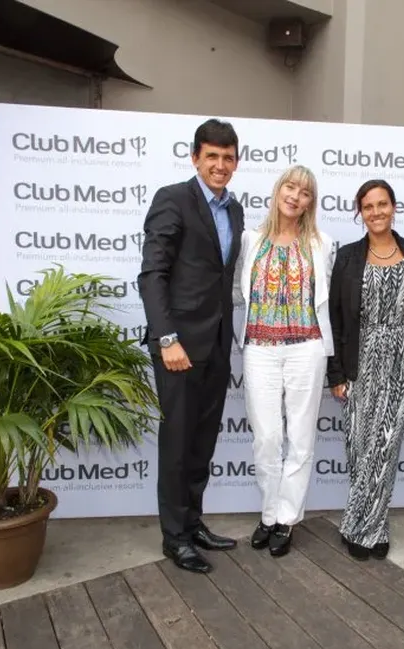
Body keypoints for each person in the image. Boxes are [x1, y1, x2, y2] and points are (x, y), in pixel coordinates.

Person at [137, 118, 244, 574]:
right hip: (177, 346)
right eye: (212, 156)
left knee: (202, 441)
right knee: (178, 444)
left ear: (236, 162)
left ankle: (193, 522)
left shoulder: (234, 211)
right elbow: (152, 275)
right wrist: (167, 338)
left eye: (228, 157)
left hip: (218, 343)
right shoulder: (173, 199)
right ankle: (174, 537)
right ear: (196, 157)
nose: (220, 165)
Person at [233, 165, 336, 557]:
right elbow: (236, 294)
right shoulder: (250, 240)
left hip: (306, 347)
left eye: (305, 192)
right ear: (278, 191)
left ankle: (287, 519)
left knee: (301, 437)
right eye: (290, 187)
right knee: (267, 437)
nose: (296, 195)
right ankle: (268, 512)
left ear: (311, 202)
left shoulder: (322, 243)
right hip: (259, 346)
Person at [327, 179, 404, 561]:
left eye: (382, 204)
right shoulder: (349, 257)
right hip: (359, 357)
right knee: (358, 444)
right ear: (360, 212)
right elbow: (336, 317)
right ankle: (372, 524)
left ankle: (363, 526)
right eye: (368, 206)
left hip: (402, 356)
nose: (376, 212)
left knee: (386, 443)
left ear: (394, 207)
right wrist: (336, 373)